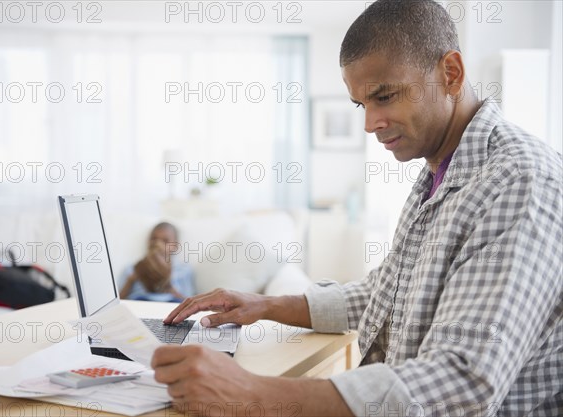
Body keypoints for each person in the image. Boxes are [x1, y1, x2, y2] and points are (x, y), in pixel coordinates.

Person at [152, 1, 562, 416]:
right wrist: (265, 305)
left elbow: (460, 380)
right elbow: (384, 295)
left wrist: (251, 393)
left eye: (384, 96)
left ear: (450, 74)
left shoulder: (519, 181)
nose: (370, 123)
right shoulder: (438, 173)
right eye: (361, 104)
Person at [118, 222, 195, 302]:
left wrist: (170, 288)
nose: (157, 244)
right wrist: (131, 280)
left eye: (165, 241)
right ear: (148, 242)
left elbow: (190, 303)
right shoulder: (132, 268)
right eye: (154, 239)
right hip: (140, 301)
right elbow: (118, 301)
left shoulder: (184, 270)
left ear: (175, 246)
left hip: (170, 303)